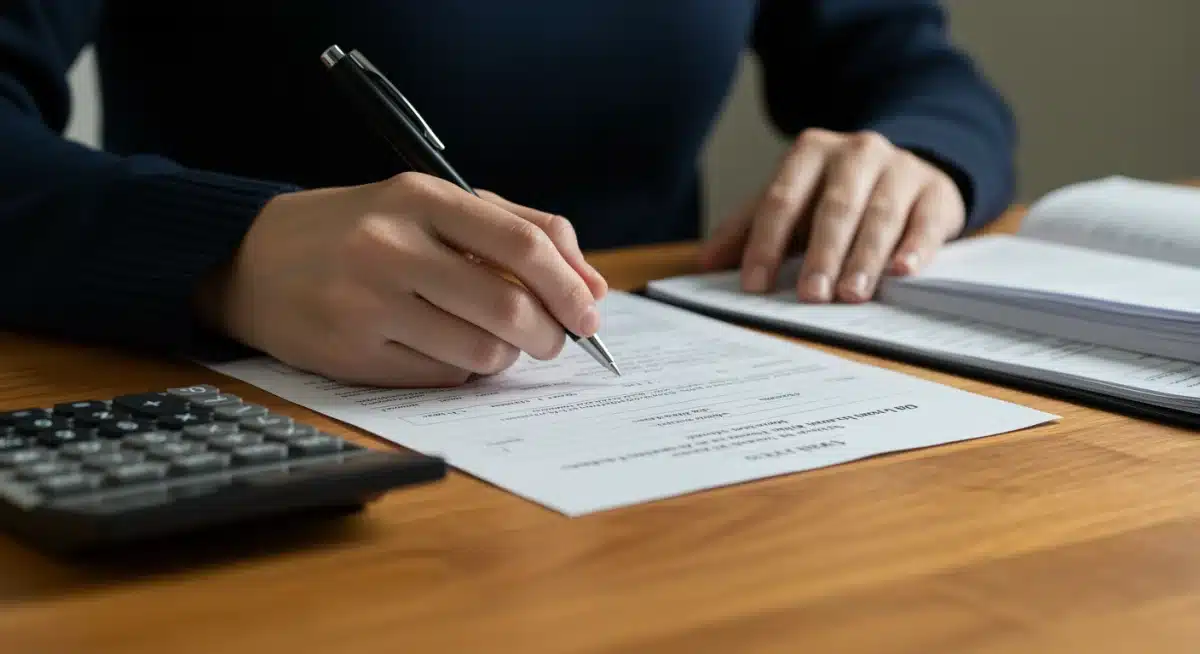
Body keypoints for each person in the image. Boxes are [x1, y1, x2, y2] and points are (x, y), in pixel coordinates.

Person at [0, 1, 1015, 387]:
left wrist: (920, 153)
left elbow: (912, 64)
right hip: (265, 446)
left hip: (664, 465)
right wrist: (229, 256)